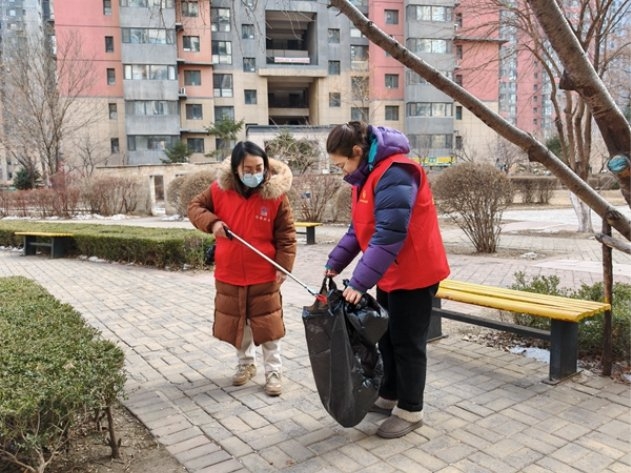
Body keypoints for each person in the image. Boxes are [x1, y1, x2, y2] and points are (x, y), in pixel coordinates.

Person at [324, 122, 450, 438]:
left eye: (341, 163)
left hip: (415, 272)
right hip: (390, 271)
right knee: (387, 337)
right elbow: (359, 229)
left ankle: (410, 410)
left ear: (357, 152)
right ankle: (390, 394)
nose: (341, 170)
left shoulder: (396, 172)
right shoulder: (365, 178)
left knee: (407, 343)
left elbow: (391, 233)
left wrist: (359, 283)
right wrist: (335, 264)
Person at [188, 141, 297, 396]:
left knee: (268, 326)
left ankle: (274, 370)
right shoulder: (218, 190)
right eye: (248, 169)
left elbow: (287, 236)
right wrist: (213, 224)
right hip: (230, 272)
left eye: (259, 167)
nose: (254, 173)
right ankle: (245, 364)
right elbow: (195, 208)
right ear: (237, 169)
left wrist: (283, 265)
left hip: (264, 272)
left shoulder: (276, 196)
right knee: (240, 323)